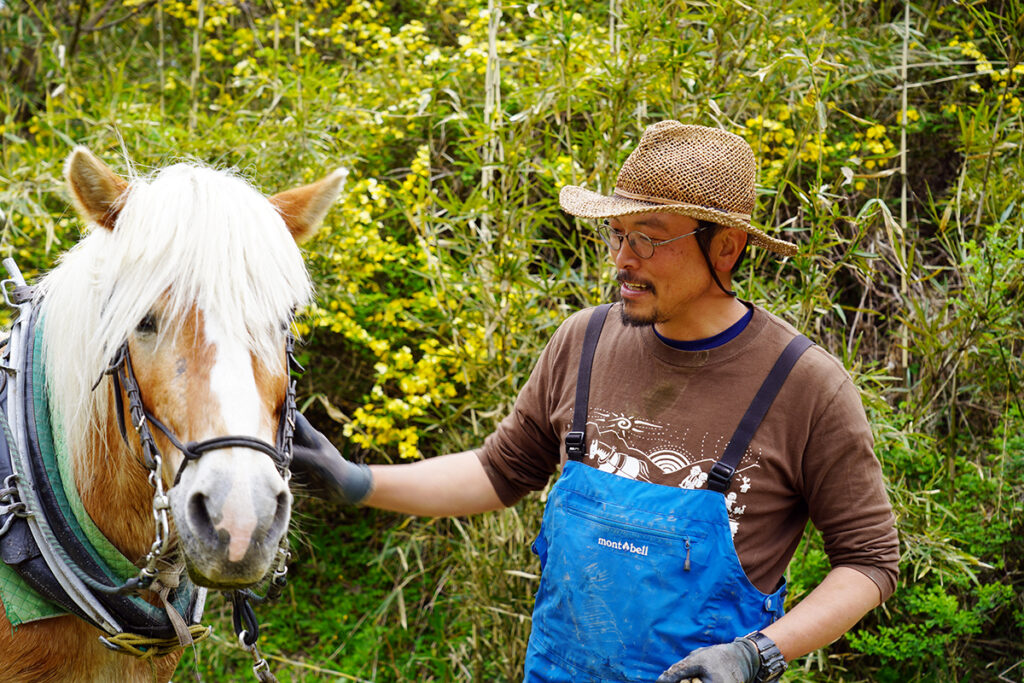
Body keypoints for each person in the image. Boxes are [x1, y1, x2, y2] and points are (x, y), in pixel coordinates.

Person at [291, 120, 899, 683]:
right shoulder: (582, 342)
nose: (622, 258)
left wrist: (756, 652)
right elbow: (497, 473)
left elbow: (869, 562)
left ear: (727, 248)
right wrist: (356, 481)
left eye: (648, 239)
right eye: (616, 234)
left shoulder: (804, 384)